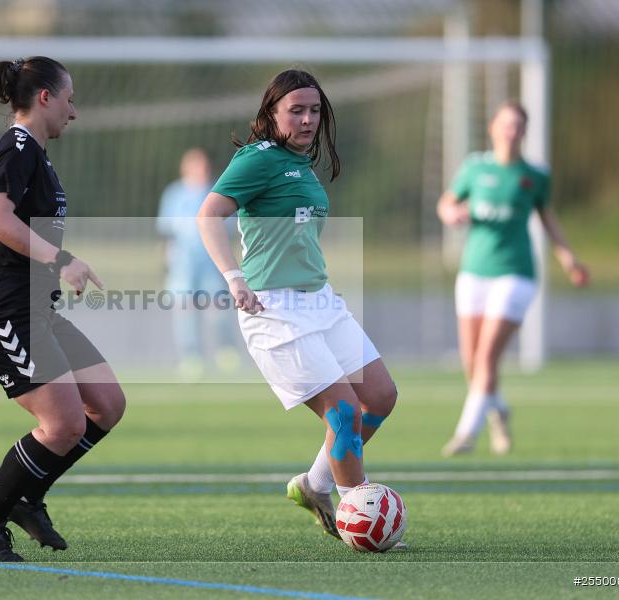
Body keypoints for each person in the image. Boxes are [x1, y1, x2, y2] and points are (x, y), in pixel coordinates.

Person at [197, 69, 399, 542]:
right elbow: (209, 215)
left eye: (314, 111)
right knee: (345, 413)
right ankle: (360, 518)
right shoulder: (258, 159)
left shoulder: (301, 162)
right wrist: (233, 277)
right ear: (272, 113)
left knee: (382, 397)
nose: (307, 119)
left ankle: (315, 484)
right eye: (296, 110)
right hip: (275, 312)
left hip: (321, 303)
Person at [0, 57, 125, 561]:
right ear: (46, 98)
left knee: (108, 404)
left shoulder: (32, 153)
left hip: (37, 305)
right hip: (3, 310)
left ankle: (27, 497)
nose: (73, 112)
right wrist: (60, 258)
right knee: (63, 425)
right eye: (69, 99)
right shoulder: (20, 142)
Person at [437, 101, 589, 457]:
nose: (512, 131)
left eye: (519, 125)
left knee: (488, 357)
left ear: (525, 131)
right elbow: (446, 202)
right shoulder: (475, 167)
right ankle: (499, 410)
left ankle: (466, 434)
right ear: (493, 128)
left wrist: (568, 256)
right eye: (506, 124)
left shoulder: (535, 174)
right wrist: (451, 214)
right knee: (471, 361)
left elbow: (547, 217)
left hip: (516, 274)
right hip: (474, 271)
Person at [156, 148, 241, 380]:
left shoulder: (216, 192)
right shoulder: (174, 194)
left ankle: (226, 350)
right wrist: (166, 263)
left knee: (218, 307)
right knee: (184, 309)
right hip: (183, 262)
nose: (201, 171)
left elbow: (230, 228)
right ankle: (191, 356)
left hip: (211, 260)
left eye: (204, 166)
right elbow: (167, 232)